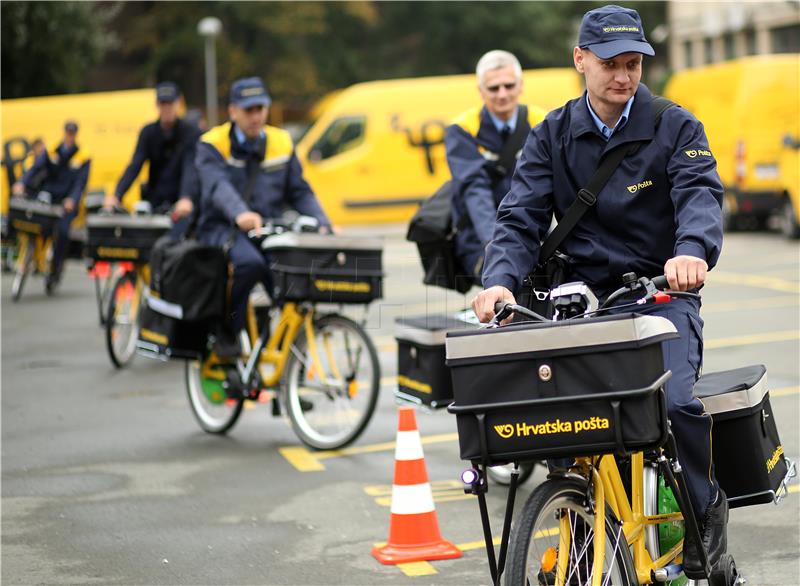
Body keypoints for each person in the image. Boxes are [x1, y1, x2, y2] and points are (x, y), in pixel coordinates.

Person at [471, 5, 727, 578]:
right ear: (580, 60)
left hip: (660, 292)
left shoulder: (675, 125)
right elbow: (518, 218)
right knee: (557, 423)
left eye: (634, 63)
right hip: (580, 299)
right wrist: (497, 283)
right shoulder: (554, 133)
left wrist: (691, 252)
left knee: (678, 404)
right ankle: (578, 518)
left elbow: (699, 194)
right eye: (611, 63)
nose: (624, 75)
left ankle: (706, 511)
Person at [196, 76, 331, 340]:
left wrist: (323, 221)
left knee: (291, 280)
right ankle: (227, 333)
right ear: (233, 111)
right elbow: (217, 185)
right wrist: (239, 213)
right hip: (222, 228)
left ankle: (285, 355)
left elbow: (299, 190)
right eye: (249, 110)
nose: (256, 116)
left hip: (267, 228)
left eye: (261, 108)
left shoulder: (281, 142)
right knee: (250, 265)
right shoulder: (212, 144)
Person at [445, 50, 546, 285]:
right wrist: (496, 245)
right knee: (502, 291)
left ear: (521, 85)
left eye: (509, 86)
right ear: (481, 91)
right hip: (482, 237)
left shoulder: (541, 122)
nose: (502, 94)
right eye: (493, 88)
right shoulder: (462, 129)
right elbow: (474, 190)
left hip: (534, 232)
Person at [107, 82, 201, 233]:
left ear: (178, 103)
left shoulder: (190, 132)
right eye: (163, 103)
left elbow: (190, 166)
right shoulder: (148, 132)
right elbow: (135, 164)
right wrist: (117, 195)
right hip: (155, 201)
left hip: (181, 203)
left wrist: (186, 197)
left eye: (170, 103)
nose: (167, 108)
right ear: (157, 105)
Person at [12, 121, 91, 291]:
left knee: (62, 232)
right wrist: (21, 183)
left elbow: (80, 183)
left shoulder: (82, 156)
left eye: (72, 133)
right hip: (49, 198)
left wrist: (72, 199)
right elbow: (35, 168)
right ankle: (31, 258)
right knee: (32, 222)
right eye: (67, 132)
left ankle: (55, 269)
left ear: (75, 134)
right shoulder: (52, 151)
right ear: (64, 133)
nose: (69, 136)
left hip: (66, 203)